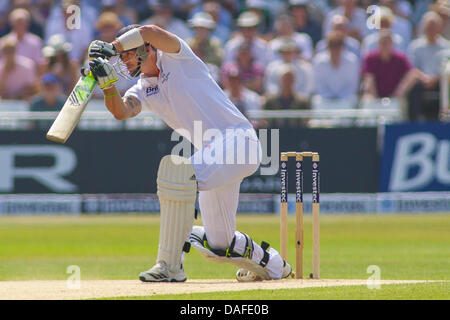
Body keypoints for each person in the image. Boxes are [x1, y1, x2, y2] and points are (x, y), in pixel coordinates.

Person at [86, 24, 292, 282]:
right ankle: (275, 264)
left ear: (146, 49)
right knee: (220, 243)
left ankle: (170, 266)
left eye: (127, 54)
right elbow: (121, 111)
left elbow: (149, 30)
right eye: (121, 57)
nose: (124, 62)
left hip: (239, 141)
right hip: (213, 156)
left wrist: (112, 46)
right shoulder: (141, 89)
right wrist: (107, 84)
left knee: (179, 177)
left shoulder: (178, 57)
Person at [407, 11, 450, 120]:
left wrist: (436, 79)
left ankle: (445, 118)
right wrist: (425, 78)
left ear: (440, 28)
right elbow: (412, 68)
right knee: (413, 86)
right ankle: (414, 120)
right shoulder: (415, 47)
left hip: (441, 80)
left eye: (434, 27)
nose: (431, 30)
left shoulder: (446, 47)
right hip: (421, 81)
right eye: (428, 27)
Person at [362, 30, 417, 103]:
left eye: (387, 43)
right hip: (375, 94)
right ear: (378, 44)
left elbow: (412, 75)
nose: (385, 46)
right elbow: (369, 79)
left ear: (392, 44)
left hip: (396, 95)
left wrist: (400, 91)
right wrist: (375, 97)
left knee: (401, 101)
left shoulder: (401, 58)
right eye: (383, 43)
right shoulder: (370, 58)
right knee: (367, 99)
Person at [312, 31, 360, 109]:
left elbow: (352, 86)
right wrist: (329, 97)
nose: (335, 50)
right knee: (317, 101)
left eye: (338, 46)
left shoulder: (352, 61)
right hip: (325, 99)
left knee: (352, 100)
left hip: (345, 99)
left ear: (342, 47)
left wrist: (340, 98)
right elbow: (319, 85)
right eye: (332, 46)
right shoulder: (319, 62)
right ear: (328, 47)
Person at [264, 63, 310, 128]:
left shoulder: (302, 102)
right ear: (280, 80)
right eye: (285, 78)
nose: (287, 81)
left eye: (290, 78)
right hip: (275, 136)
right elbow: (265, 123)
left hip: (297, 135)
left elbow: (306, 122)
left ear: (294, 80)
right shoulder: (270, 101)